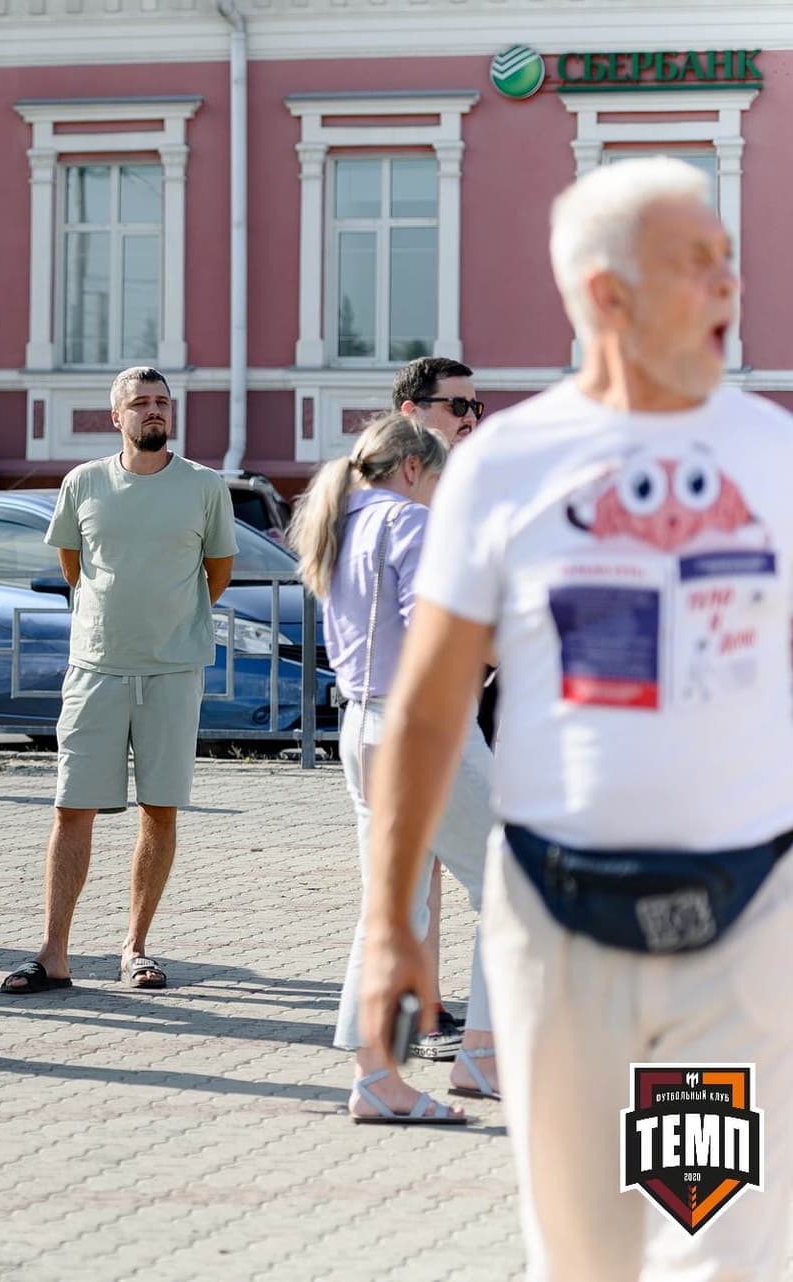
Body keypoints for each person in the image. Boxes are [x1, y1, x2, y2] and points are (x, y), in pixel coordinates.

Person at [358, 158, 793, 1278]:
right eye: (697, 263)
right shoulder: (507, 465)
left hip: (738, 928)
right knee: (588, 1255)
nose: (730, 285)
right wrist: (390, 925)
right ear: (606, 293)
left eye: (728, 260)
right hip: (561, 927)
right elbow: (429, 706)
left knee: (716, 1247)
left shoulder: (773, 455)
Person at [286, 413, 494, 1124]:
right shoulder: (410, 522)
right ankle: (482, 1052)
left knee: (393, 904)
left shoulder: (339, 523)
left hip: (363, 725)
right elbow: (439, 631)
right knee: (510, 884)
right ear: (412, 469)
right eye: (438, 478)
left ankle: (377, 1074)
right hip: (426, 726)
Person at [1, 366, 236, 995]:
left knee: (159, 809)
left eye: (162, 402)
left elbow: (217, 571)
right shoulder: (83, 482)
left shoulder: (205, 486)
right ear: (116, 416)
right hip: (95, 667)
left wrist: (170, 622)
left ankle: (135, 948)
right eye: (140, 403)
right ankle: (53, 953)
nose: (153, 411)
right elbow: (73, 566)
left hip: (172, 669)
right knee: (72, 808)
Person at [389, 356, 486, 1059]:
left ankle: (410, 1023)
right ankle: (431, 1023)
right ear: (412, 410)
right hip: (420, 706)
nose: (470, 419)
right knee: (440, 871)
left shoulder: (457, 484)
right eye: (457, 406)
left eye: (476, 407)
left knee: (419, 868)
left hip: (454, 697)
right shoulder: (399, 494)